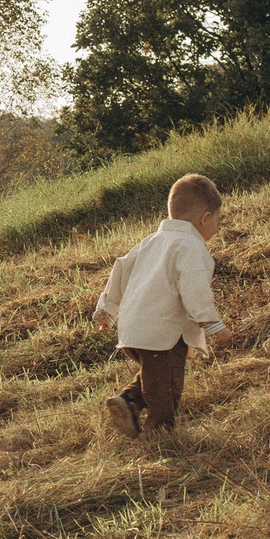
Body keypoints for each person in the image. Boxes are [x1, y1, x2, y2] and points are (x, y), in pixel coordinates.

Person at [92, 173, 227, 436]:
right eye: (218, 219)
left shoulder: (151, 242)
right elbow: (195, 291)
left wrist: (105, 310)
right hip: (163, 333)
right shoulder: (190, 247)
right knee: (167, 390)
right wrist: (213, 326)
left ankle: (128, 402)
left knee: (155, 378)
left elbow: (120, 270)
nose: (218, 226)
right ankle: (159, 438)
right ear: (205, 218)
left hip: (133, 330)